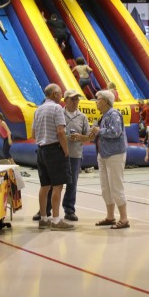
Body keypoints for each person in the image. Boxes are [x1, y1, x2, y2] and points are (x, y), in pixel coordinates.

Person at [32, 84, 74, 231]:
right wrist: (66, 150)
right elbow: (60, 131)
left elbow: (33, 134)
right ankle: (56, 220)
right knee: (58, 186)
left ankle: (44, 218)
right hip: (54, 150)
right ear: (55, 94)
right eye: (60, 93)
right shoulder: (56, 109)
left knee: (44, 186)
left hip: (41, 150)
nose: (61, 96)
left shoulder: (38, 110)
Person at [90, 90, 129, 229]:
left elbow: (115, 132)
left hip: (114, 154)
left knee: (116, 186)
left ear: (106, 101)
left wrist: (98, 131)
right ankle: (110, 216)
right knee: (106, 187)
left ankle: (124, 218)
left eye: (98, 99)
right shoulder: (104, 116)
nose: (96, 101)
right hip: (104, 154)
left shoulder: (114, 114)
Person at [62, 90, 90, 221]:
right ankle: (46, 210)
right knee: (53, 183)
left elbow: (88, 137)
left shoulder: (82, 117)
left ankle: (69, 209)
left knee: (72, 184)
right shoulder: (59, 114)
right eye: (73, 99)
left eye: (77, 99)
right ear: (65, 100)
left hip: (75, 155)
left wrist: (80, 137)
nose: (75, 102)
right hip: (59, 154)